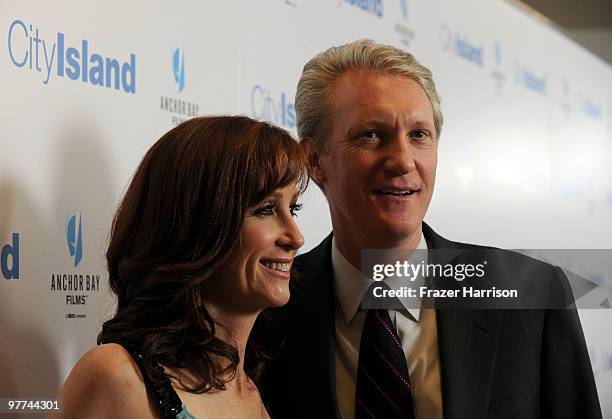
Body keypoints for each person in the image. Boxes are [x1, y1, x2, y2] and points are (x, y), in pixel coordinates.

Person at [259, 40, 602, 419]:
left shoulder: (533, 294)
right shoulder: (267, 308)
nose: (403, 161)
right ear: (314, 160)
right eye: (371, 135)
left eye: (419, 135)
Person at [52, 116, 307, 418]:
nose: (296, 237)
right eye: (265, 209)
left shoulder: (254, 390)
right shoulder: (117, 376)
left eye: (293, 208)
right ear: (197, 227)